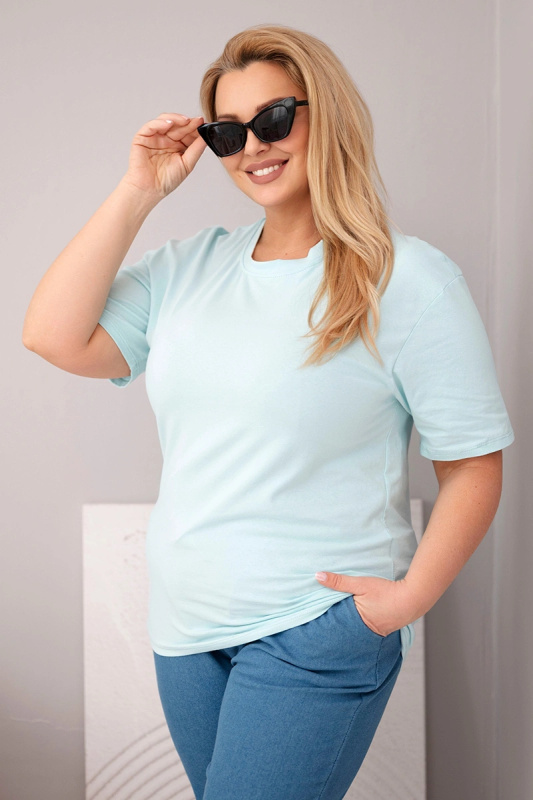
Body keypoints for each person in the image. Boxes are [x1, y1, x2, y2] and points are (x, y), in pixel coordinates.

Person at [22, 22, 514, 800]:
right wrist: (138, 190)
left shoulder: (408, 281)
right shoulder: (188, 268)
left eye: (274, 118)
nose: (252, 146)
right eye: (227, 131)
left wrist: (405, 600)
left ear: (327, 112)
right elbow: (51, 336)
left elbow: (473, 464)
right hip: (186, 631)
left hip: (314, 628)